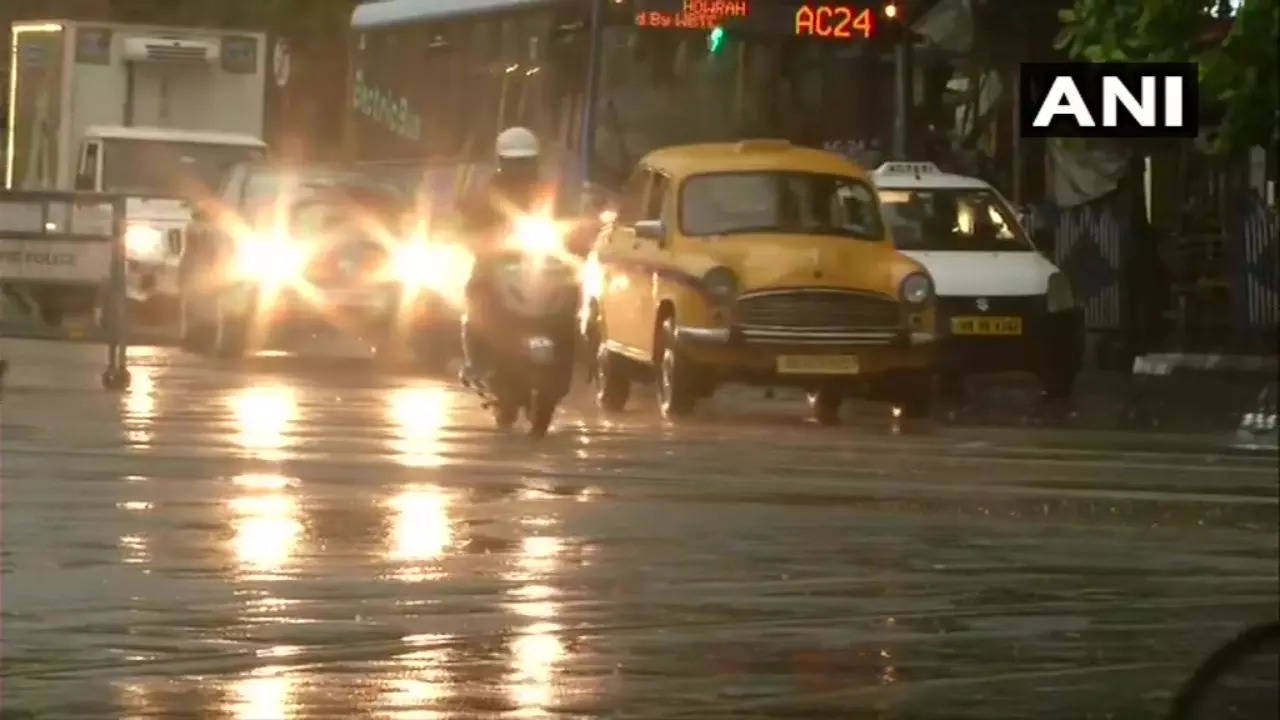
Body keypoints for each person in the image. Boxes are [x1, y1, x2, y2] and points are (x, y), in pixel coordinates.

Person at [459, 126, 546, 383]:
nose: (520, 169)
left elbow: (566, 217)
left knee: (570, 290)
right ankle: (476, 361)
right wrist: (478, 238)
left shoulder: (546, 191)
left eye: (526, 163)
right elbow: (469, 221)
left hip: (537, 261)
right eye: (514, 163)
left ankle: (567, 348)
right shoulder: (487, 191)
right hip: (494, 261)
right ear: (501, 162)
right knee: (476, 294)